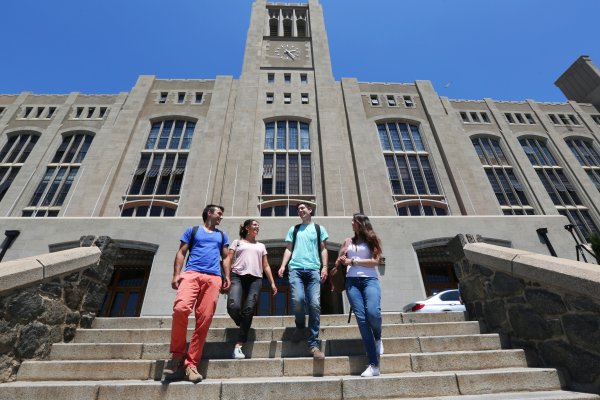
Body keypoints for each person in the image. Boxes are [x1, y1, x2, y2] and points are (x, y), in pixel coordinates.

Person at [164, 204, 230, 383]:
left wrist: (227, 277)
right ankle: (177, 355)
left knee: (205, 318)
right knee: (180, 309)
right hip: (191, 274)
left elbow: (226, 257)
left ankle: (191, 364)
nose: (221, 217)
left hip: (213, 278)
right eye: (219, 213)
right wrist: (176, 274)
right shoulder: (192, 231)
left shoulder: (222, 235)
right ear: (209, 213)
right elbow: (181, 253)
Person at [278, 203, 328, 359]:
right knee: (298, 299)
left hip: (313, 269)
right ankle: (300, 327)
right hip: (296, 269)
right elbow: (289, 248)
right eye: (298, 209)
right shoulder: (294, 229)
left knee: (314, 304)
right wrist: (283, 265)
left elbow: (323, 249)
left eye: (303, 208)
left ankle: (313, 344)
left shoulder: (319, 229)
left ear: (310, 210)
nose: (300, 210)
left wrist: (324, 266)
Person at [336, 213, 383, 377]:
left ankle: (378, 337)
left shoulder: (372, 239)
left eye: (354, 221)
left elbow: (376, 261)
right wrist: (341, 258)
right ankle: (373, 365)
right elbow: (339, 261)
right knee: (362, 321)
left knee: (373, 313)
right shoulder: (348, 241)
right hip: (352, 282)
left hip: (370, 280)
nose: (351, 223)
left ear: (362, 223)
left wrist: (354, 261)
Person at [226, 219, 277, 359]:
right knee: (233, 306)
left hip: (256, 279)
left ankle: (239, 346)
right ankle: (243, 322)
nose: (257, 227)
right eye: (254, 224)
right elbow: (228, 259)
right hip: (237, 276)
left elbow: (265, 265)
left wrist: (272, 283)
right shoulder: (237, 242)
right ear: (247, 228)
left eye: (258, 225)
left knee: (248, 309)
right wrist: (226, 277)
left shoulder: (261, 246)